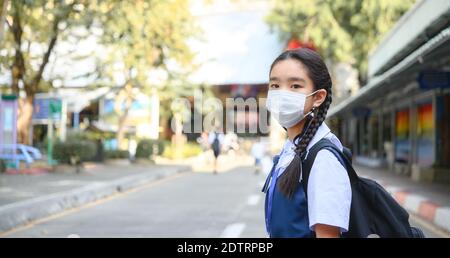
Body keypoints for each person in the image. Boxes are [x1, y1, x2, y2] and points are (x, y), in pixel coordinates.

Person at [262, 48, 351, 238]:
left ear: (318, 97)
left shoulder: (323, 159)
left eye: (295, 86)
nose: (282, 93)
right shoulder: (292, 148)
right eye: (275, 86)